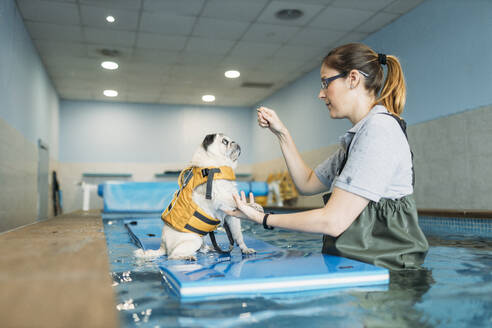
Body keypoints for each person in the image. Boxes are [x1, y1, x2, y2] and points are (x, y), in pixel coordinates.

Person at [230, 43, 429, 270]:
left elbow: (332, 221)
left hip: (389, 277)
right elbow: (307, 183)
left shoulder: (379, 130)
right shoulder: (358, 137)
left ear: (352, 79)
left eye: (326, 82)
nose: (321, 93)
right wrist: (282, 134)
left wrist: (262, 219)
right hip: (364, 269)